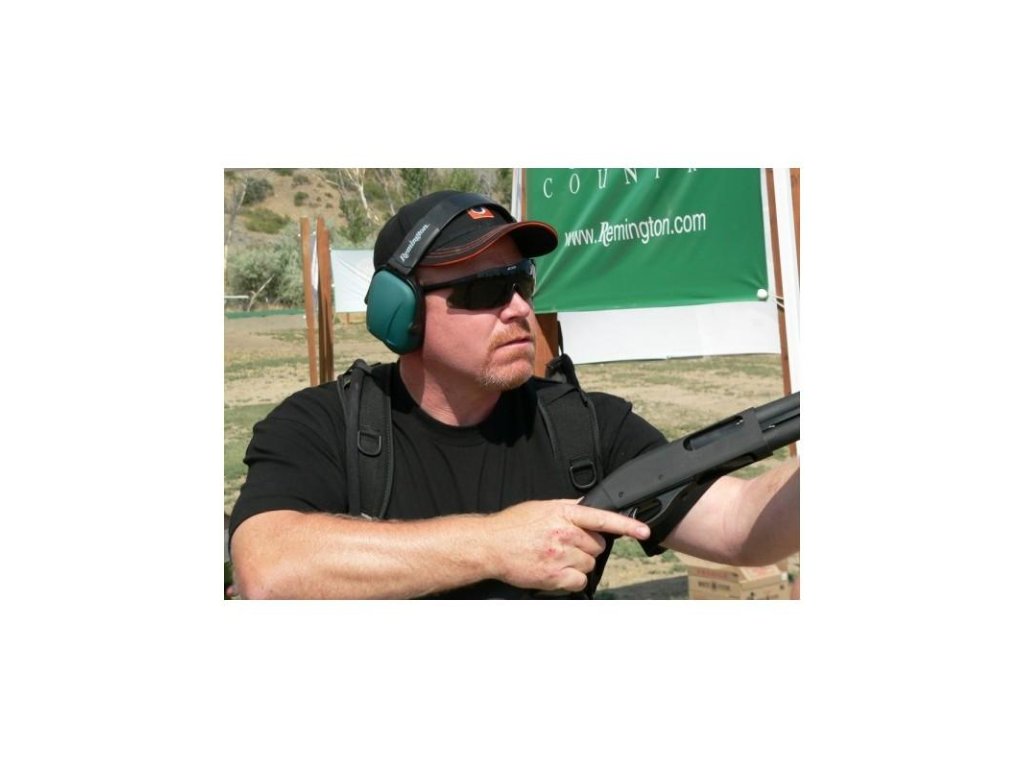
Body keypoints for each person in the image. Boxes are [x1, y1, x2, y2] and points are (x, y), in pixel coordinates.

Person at [228, 190, 799, 599]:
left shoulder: (584, 426)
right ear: (401, 313)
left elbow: (740, 526)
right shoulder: (324, 425)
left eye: (522, 282)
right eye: (485, 290)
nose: (520, 309)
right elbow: (266, 572)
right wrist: (495, 544)